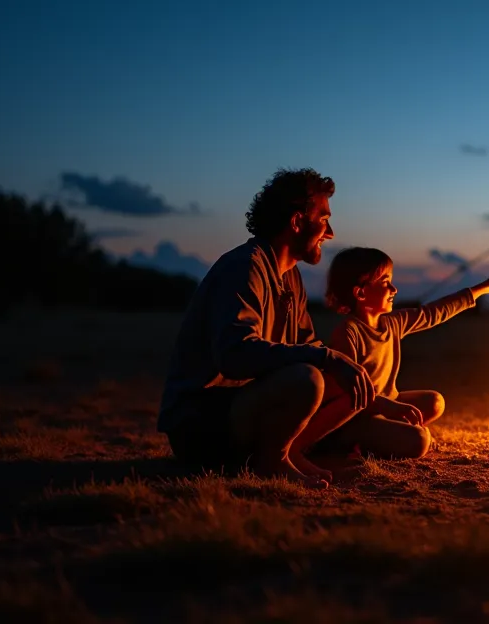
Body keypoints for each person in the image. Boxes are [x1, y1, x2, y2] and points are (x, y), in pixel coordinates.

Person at [158, 168, 375, 489]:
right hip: (201, 423)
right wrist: (327, 358)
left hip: (244, 408)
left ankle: (290, 453)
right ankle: (271, 461)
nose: (329, 232)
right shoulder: (244, 266)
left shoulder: (289, 277)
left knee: (340, 375)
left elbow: (308, 345)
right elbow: (234, 355)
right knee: (309, 378)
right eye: (324, 219)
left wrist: (351, 373)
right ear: (297, 221)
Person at [315, 247, 489, 459]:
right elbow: (349, 395)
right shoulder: (347, 333)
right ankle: (349, 444)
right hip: (358, 416)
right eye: (385, 282)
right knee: (419, 441)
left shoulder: (392, 323)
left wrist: (484, 288)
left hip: (388, 405)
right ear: (360, 292)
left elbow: (433, 313)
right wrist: (389, 408)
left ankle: (388, 436)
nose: (394, 289)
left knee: (435, 402)